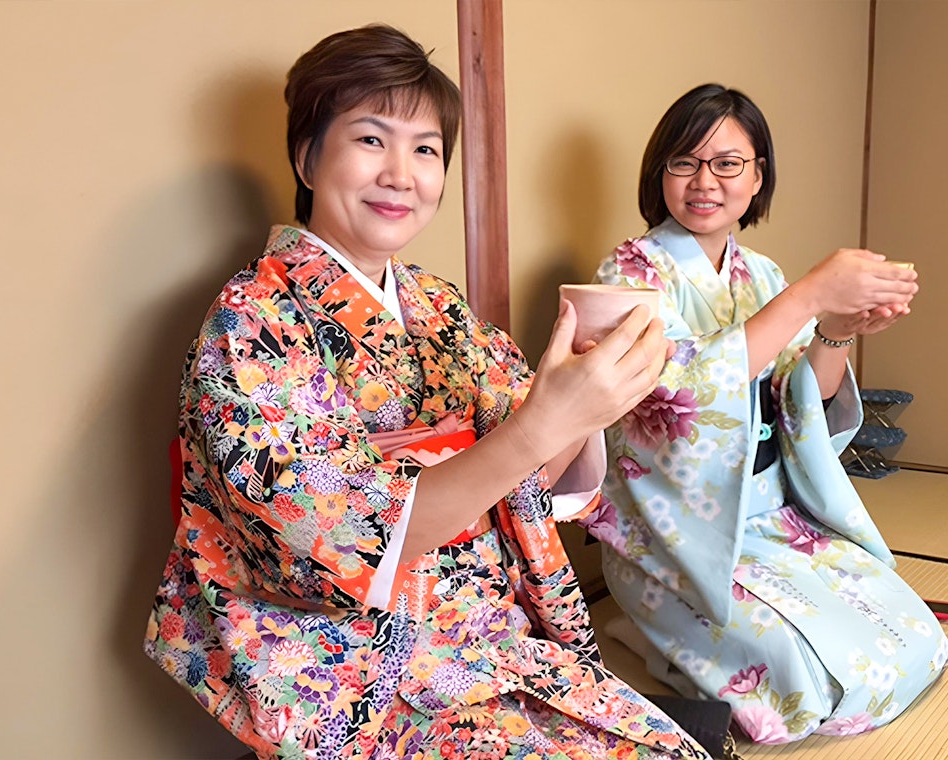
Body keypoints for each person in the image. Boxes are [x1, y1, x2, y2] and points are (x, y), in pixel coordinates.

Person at [144, 25, 713, 760]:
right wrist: (545, 420)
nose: (402, 174)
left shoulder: (442, 308)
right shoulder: (251, 321)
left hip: (485, 638)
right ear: (305, 156)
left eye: (425, 149)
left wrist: (586, 400)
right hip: (349, 666)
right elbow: (334, 540)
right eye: (371, 140)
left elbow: (524, 478)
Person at [582, 84, 948, 743]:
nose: (705, 181)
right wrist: (811, 293)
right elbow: (677, 398)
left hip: (770, 515)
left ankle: (665, 636)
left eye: (727, 163)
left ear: (758, 177)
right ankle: (643, 627)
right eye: (683, 162)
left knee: (911, 638)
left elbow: (798, 405)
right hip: (675, 539)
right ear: (658, 172)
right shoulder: (627, 272)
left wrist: (835, 327)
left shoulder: (761, 273)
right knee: (794, 680)